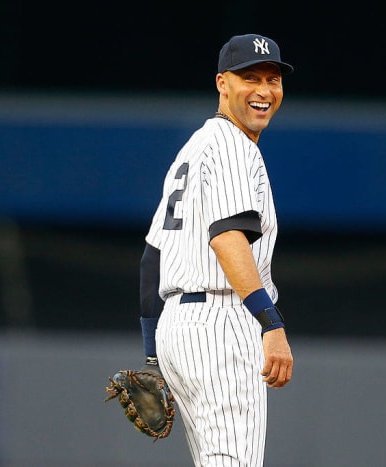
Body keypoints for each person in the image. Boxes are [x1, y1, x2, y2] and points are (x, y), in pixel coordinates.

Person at [138, 33, 294, 466]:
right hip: (222, 323)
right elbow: (228, 237)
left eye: (273, 79)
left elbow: (153, 258)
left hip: (179, 329)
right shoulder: (232, 145)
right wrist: (271, 323)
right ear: (222, 83)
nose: (264, 91)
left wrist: (155, 356)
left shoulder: (193, 149)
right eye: (250, 78)